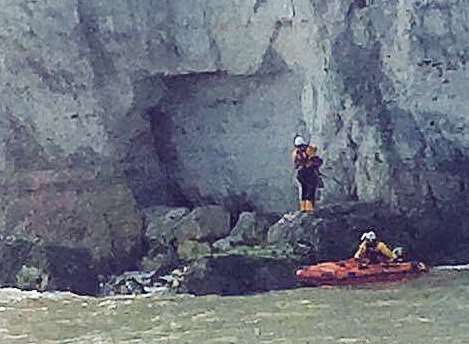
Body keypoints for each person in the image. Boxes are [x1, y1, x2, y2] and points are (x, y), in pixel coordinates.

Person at [292, 135, 323, 213]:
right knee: (309, 189)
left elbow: (296, 165)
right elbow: (317, 161)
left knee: (305, 190)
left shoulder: (296, 153)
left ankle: (304, 208)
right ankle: (308, 208)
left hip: (303, 173)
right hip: (307, 173)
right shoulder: (307, 150)